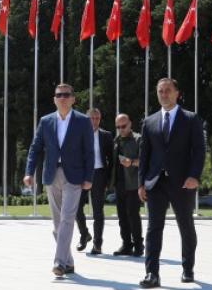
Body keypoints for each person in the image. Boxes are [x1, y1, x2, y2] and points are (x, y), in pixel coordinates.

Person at [137, 77, 206, 288]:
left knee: (185, 225)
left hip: (183, 182)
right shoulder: (149, 122)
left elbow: (199, 150)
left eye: (168, 90)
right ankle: (152, 274)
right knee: (153, 228)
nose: (164, 94)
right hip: (155, 183)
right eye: (160, 91)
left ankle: (188, 268)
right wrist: (141, 183)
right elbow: (144, 154)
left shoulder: (191, 119)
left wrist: (194, 176)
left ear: (177, 93)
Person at [24, 83, 95, 277]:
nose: (62, 98)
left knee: (67, 218)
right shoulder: (46, 121)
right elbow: (35, 148)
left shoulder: (83, 121)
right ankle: (69, 262)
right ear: (54, 99)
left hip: (74, 176)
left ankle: (59, 263)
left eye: (66, 95)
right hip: (51, 174)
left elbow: (89, 151)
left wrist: (89, 177)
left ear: (73, 99)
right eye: (59, 95)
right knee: (57, 224)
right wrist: (29, 172)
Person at [74, 108, 114, 255]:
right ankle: (84, 234)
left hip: (99, 175)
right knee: (76, 207)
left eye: (97, 118)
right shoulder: (78, 134)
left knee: (98, 211)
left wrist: (108, 179)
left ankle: (97, 244)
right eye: (92, 118)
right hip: (82, 175)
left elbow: (111, 159)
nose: (95, 121)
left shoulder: (106, 136)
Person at [112, 113, 143, 257]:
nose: (121, 129)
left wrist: (131, 162)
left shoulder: (138, 139)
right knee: (122, 216)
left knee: (133, 216)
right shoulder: (116, 140)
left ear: (130, 124)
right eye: (118, 127)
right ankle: (126, 245)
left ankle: (138, 245)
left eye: (123, 126)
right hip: (119, 184)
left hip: (133, 184)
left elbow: (145, 161)